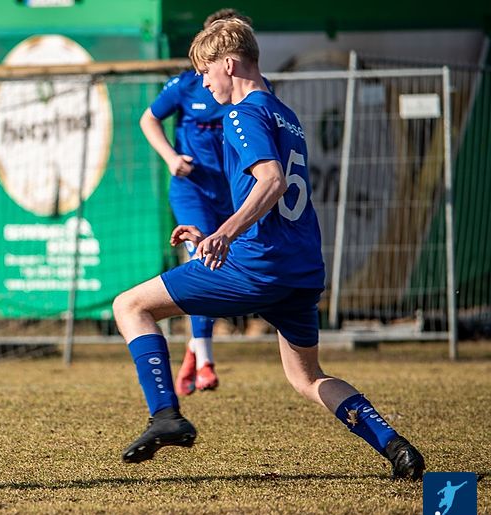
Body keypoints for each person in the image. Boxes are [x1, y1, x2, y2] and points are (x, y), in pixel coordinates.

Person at [111, 19, 426, 480]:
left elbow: (272, 181)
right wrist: (213, 232)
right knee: (307, 377)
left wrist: (225, 234)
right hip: (300, 270)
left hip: (256, 267)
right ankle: (396, 446)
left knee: (130, 306)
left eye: (205, 71)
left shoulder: (242, 114)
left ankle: (165, 416)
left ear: (228, 64)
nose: (203, 82)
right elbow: (269, 196)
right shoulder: (285, 114)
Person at [139, 8, 256, 396]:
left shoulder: (253, 93)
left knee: (227, 267)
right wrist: (171, 158)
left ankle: (194, 348)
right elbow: (148, 119)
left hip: (232, 194)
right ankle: (205, 361)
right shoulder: (187, 85)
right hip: (192, 191)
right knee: (202, 261)